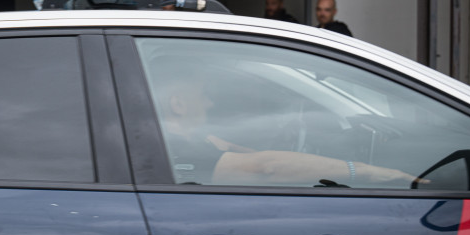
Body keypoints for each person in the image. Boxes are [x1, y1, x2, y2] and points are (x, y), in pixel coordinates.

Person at [158, 73, 421, 187]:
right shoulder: (180, 152)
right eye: (203, 95)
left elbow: (233, 149)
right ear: (178, 104)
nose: (210, 103)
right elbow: (267, 167)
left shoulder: (182, 141)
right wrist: (363, 171)